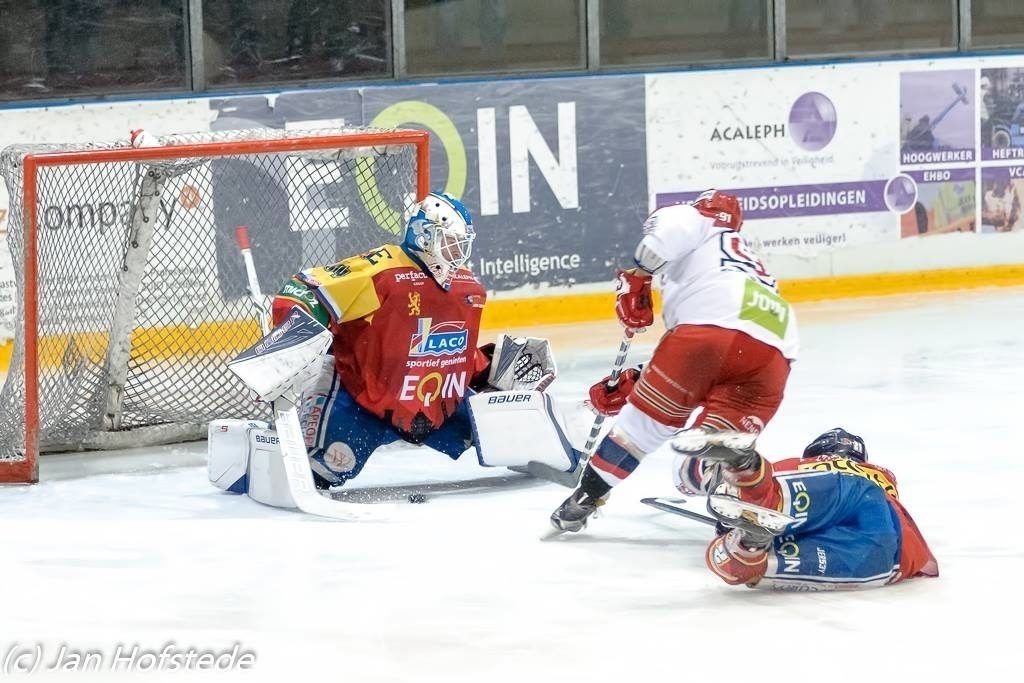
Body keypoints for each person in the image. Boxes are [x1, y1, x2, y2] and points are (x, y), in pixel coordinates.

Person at [550, 189, 798, 531]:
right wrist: (642, 379)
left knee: (639, 433)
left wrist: (637, 276)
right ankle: (729, 481)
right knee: (706, 447)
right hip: (776, 351)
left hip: (707, 332)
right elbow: (732, 344)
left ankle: (586, 498)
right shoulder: (748, 260)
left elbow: (658, 245)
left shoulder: (695, 216)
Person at [267, 191, 533, 488]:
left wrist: (487, 368)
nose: (457, 252)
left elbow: (450, 347)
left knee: (504, 432)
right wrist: (291, 339)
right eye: (450, 241)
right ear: (424, 235)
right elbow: (305, 289)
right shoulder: (382, 270)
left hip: (431, 405)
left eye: (461, 244)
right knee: (318, 470)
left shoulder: (466, 286)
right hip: (361, 398)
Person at [673, 427, 939, 591]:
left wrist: (725, 518)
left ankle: (744, 474)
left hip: (852, 499)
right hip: (893, 556)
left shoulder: (798, 464)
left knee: (767, 496)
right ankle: (750, 547)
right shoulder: (882, 475)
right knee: (744, 565)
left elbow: (684, 479)